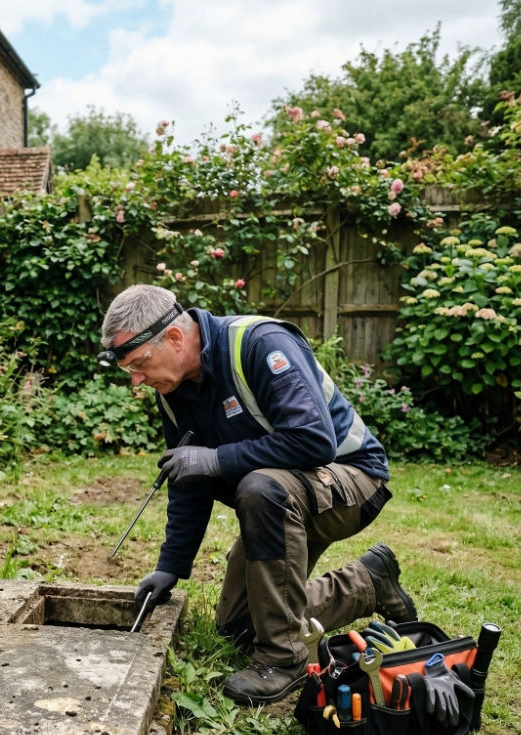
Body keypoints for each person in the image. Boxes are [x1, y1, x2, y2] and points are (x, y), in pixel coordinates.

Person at [98, 284, 416, 705]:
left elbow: (313, 441)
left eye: (139, 364)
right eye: (128, 370)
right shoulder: (172, 389)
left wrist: (215, 459)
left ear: (174, 338)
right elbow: (189, 478)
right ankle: (366, 583)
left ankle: (283, 660)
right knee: (239, 625)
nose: (136, 380)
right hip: (286, 495)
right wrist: (170, 567)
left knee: (259, 487)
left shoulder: (261, 344)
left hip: (352, 480)